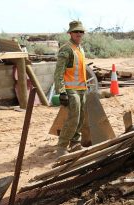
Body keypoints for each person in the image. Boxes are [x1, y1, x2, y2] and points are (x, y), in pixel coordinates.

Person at [54, 20, 87, 157]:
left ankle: (75, 143)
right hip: (70, 89)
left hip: (81, 89)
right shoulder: (66, 49)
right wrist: (62, 92)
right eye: (76, 31)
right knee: (73, 118)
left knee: (80, 118)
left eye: (81, 31)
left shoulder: (80, 48)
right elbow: (58, 72)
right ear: (70, 33)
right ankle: (61, 148)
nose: (79, 34)